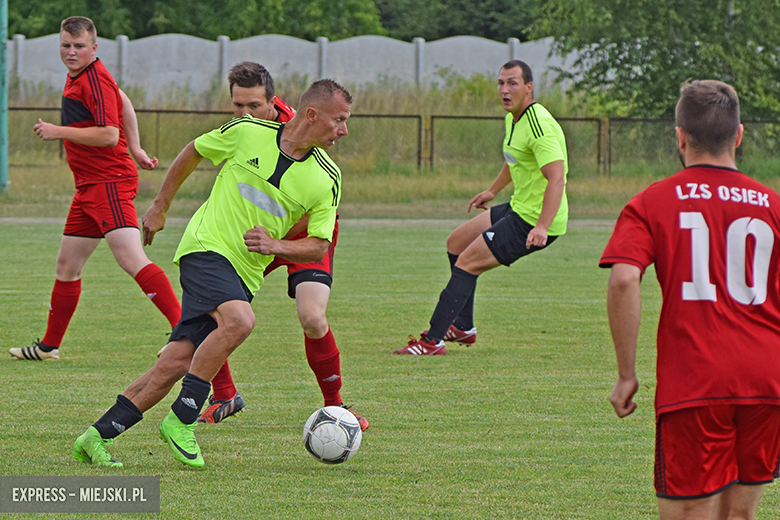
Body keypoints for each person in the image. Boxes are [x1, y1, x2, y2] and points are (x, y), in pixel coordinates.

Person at [73, 79, 356, 468]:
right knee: (240, 321)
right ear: (312, 115)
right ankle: (182, 418)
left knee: (175, 362)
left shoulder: (328, 177)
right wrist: (160, 206)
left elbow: (320, 245)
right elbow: (194, 151)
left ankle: (96, 436)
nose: (344, 130)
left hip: (244, 275)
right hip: (205, 248)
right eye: (339, 120)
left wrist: (278, 247)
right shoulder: (246, 131)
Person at [601, 80, 780, 519]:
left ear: (679, 136)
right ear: (738, 136)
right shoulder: (774, 205)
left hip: (696, 382)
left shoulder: (651, 202)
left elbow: (624, 279)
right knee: (739, 514)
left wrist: (627, 374)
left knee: (688, 513)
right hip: (767, 382)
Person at [11, 16, 179, 361]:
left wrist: (59, 132)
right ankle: (48, 347)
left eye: (79, 46)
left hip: (109, 183)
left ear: (94, 48)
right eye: (66, 45)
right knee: (66, 267)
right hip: (89, 187)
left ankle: (185, 330)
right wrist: (137, 149)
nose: (71, 52)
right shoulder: (82, 76)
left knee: (131, 258)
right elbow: (125, 102)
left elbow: (107, 134)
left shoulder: (94, 78)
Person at [394, 59, 568, 355]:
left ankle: (432, 341)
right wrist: (492, 190)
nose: (504, 89)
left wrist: (541, 226)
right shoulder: (514, 118)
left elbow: (557, 178)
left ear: (529, 87)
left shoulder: (539, 125)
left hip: (534, 220)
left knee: (467, 263)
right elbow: (514, 160)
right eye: (500, 83)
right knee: (457, 243)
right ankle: (462, 328)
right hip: (519, 208)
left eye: (512, 83)